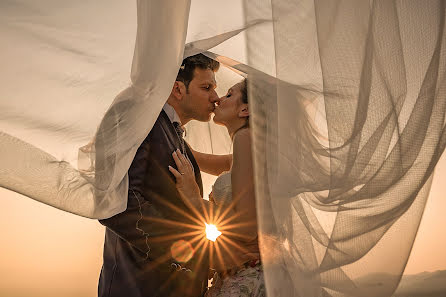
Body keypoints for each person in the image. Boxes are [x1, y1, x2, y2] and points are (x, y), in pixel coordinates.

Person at [98, 53, 221, 297]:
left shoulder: (177, 138)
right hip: (139, 287)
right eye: (206, 87)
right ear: (177, 88)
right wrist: (190, 254)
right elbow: (119, 204)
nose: (216, 98)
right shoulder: (142, 121)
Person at [169, 79, 266, 297]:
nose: (218, 98)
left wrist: (194, 198)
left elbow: (247, 228)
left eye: (229, 95)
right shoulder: (253, 146)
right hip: (245, 270)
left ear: (245, 109)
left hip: (250, 274)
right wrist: (173, 134)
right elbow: (213, 162)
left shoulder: (245, 137)